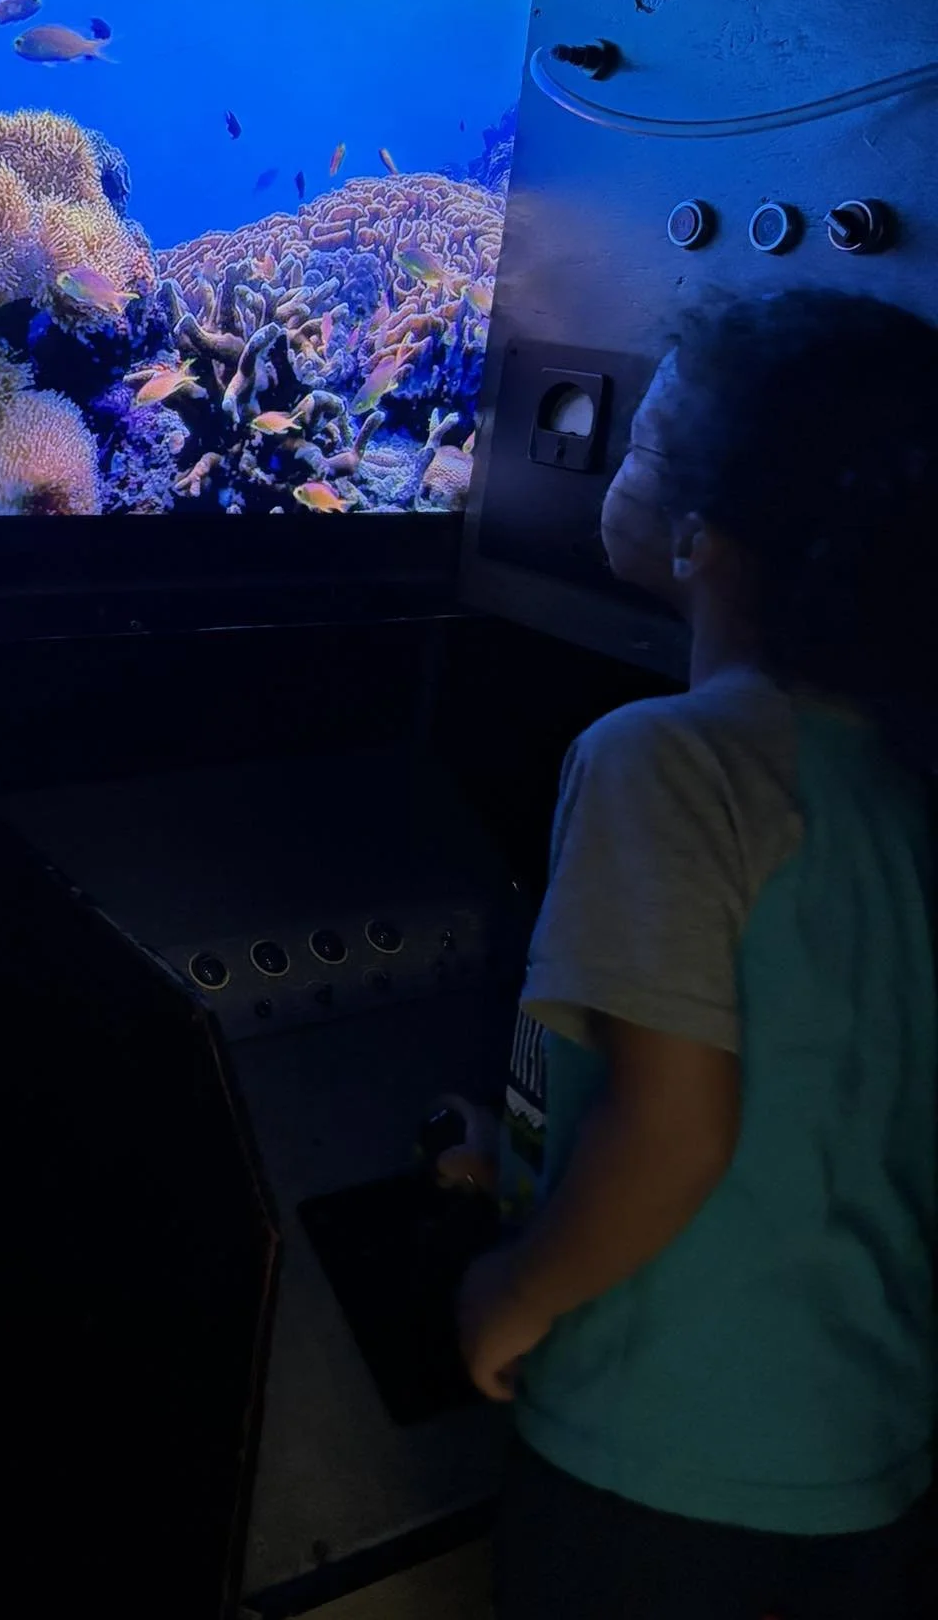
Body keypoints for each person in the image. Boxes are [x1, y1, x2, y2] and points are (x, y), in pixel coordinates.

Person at [446, 288, 938, 1618]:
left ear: (705, 539)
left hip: (663, 1462)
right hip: (869, 1453)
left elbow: (675, 1135)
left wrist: (516, 1287)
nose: (612, 450)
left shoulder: (660, 761)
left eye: (647, 436)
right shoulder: (897, 779)